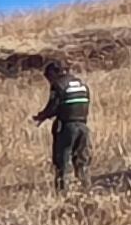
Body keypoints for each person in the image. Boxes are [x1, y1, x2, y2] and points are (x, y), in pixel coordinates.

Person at [33, 57, 93, 192]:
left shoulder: (58, 85)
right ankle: (86, 190)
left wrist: (42, 116)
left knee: (62, 161)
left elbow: (54, 106)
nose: (48, 81)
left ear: (54, 73)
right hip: (83, 126)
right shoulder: (82, 84)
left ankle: (62, 193)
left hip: (66, 127)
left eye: (48, 77)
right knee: (82, 161)